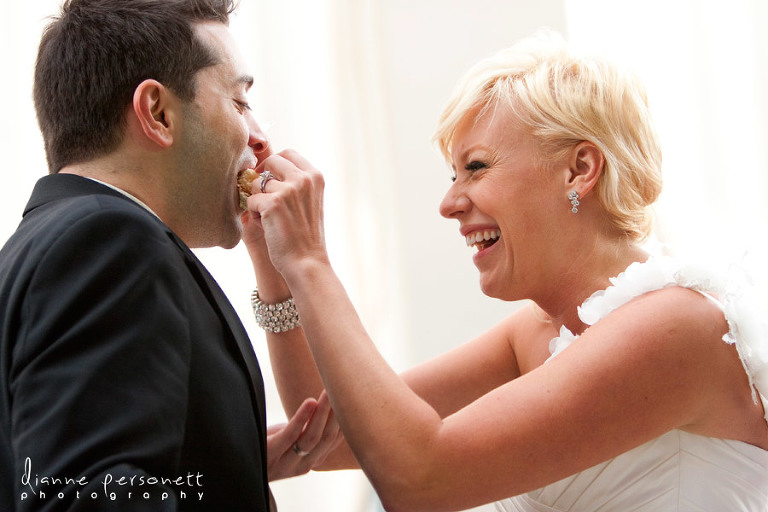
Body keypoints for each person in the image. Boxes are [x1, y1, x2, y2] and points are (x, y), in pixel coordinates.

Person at [242, 31, 768, 511]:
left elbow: (419, 479)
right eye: (453, 175)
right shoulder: (533, 334)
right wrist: (274, 261)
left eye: (476, 167)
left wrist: (311, 261)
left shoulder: (679, 326)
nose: (449, 204)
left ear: (580, 169)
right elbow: (327, 435)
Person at [0, 0, 340, 510]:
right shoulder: (109, 240)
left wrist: (222, 474)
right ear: (158, 113)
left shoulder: (42, 245)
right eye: (240, 102)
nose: (261, 139)